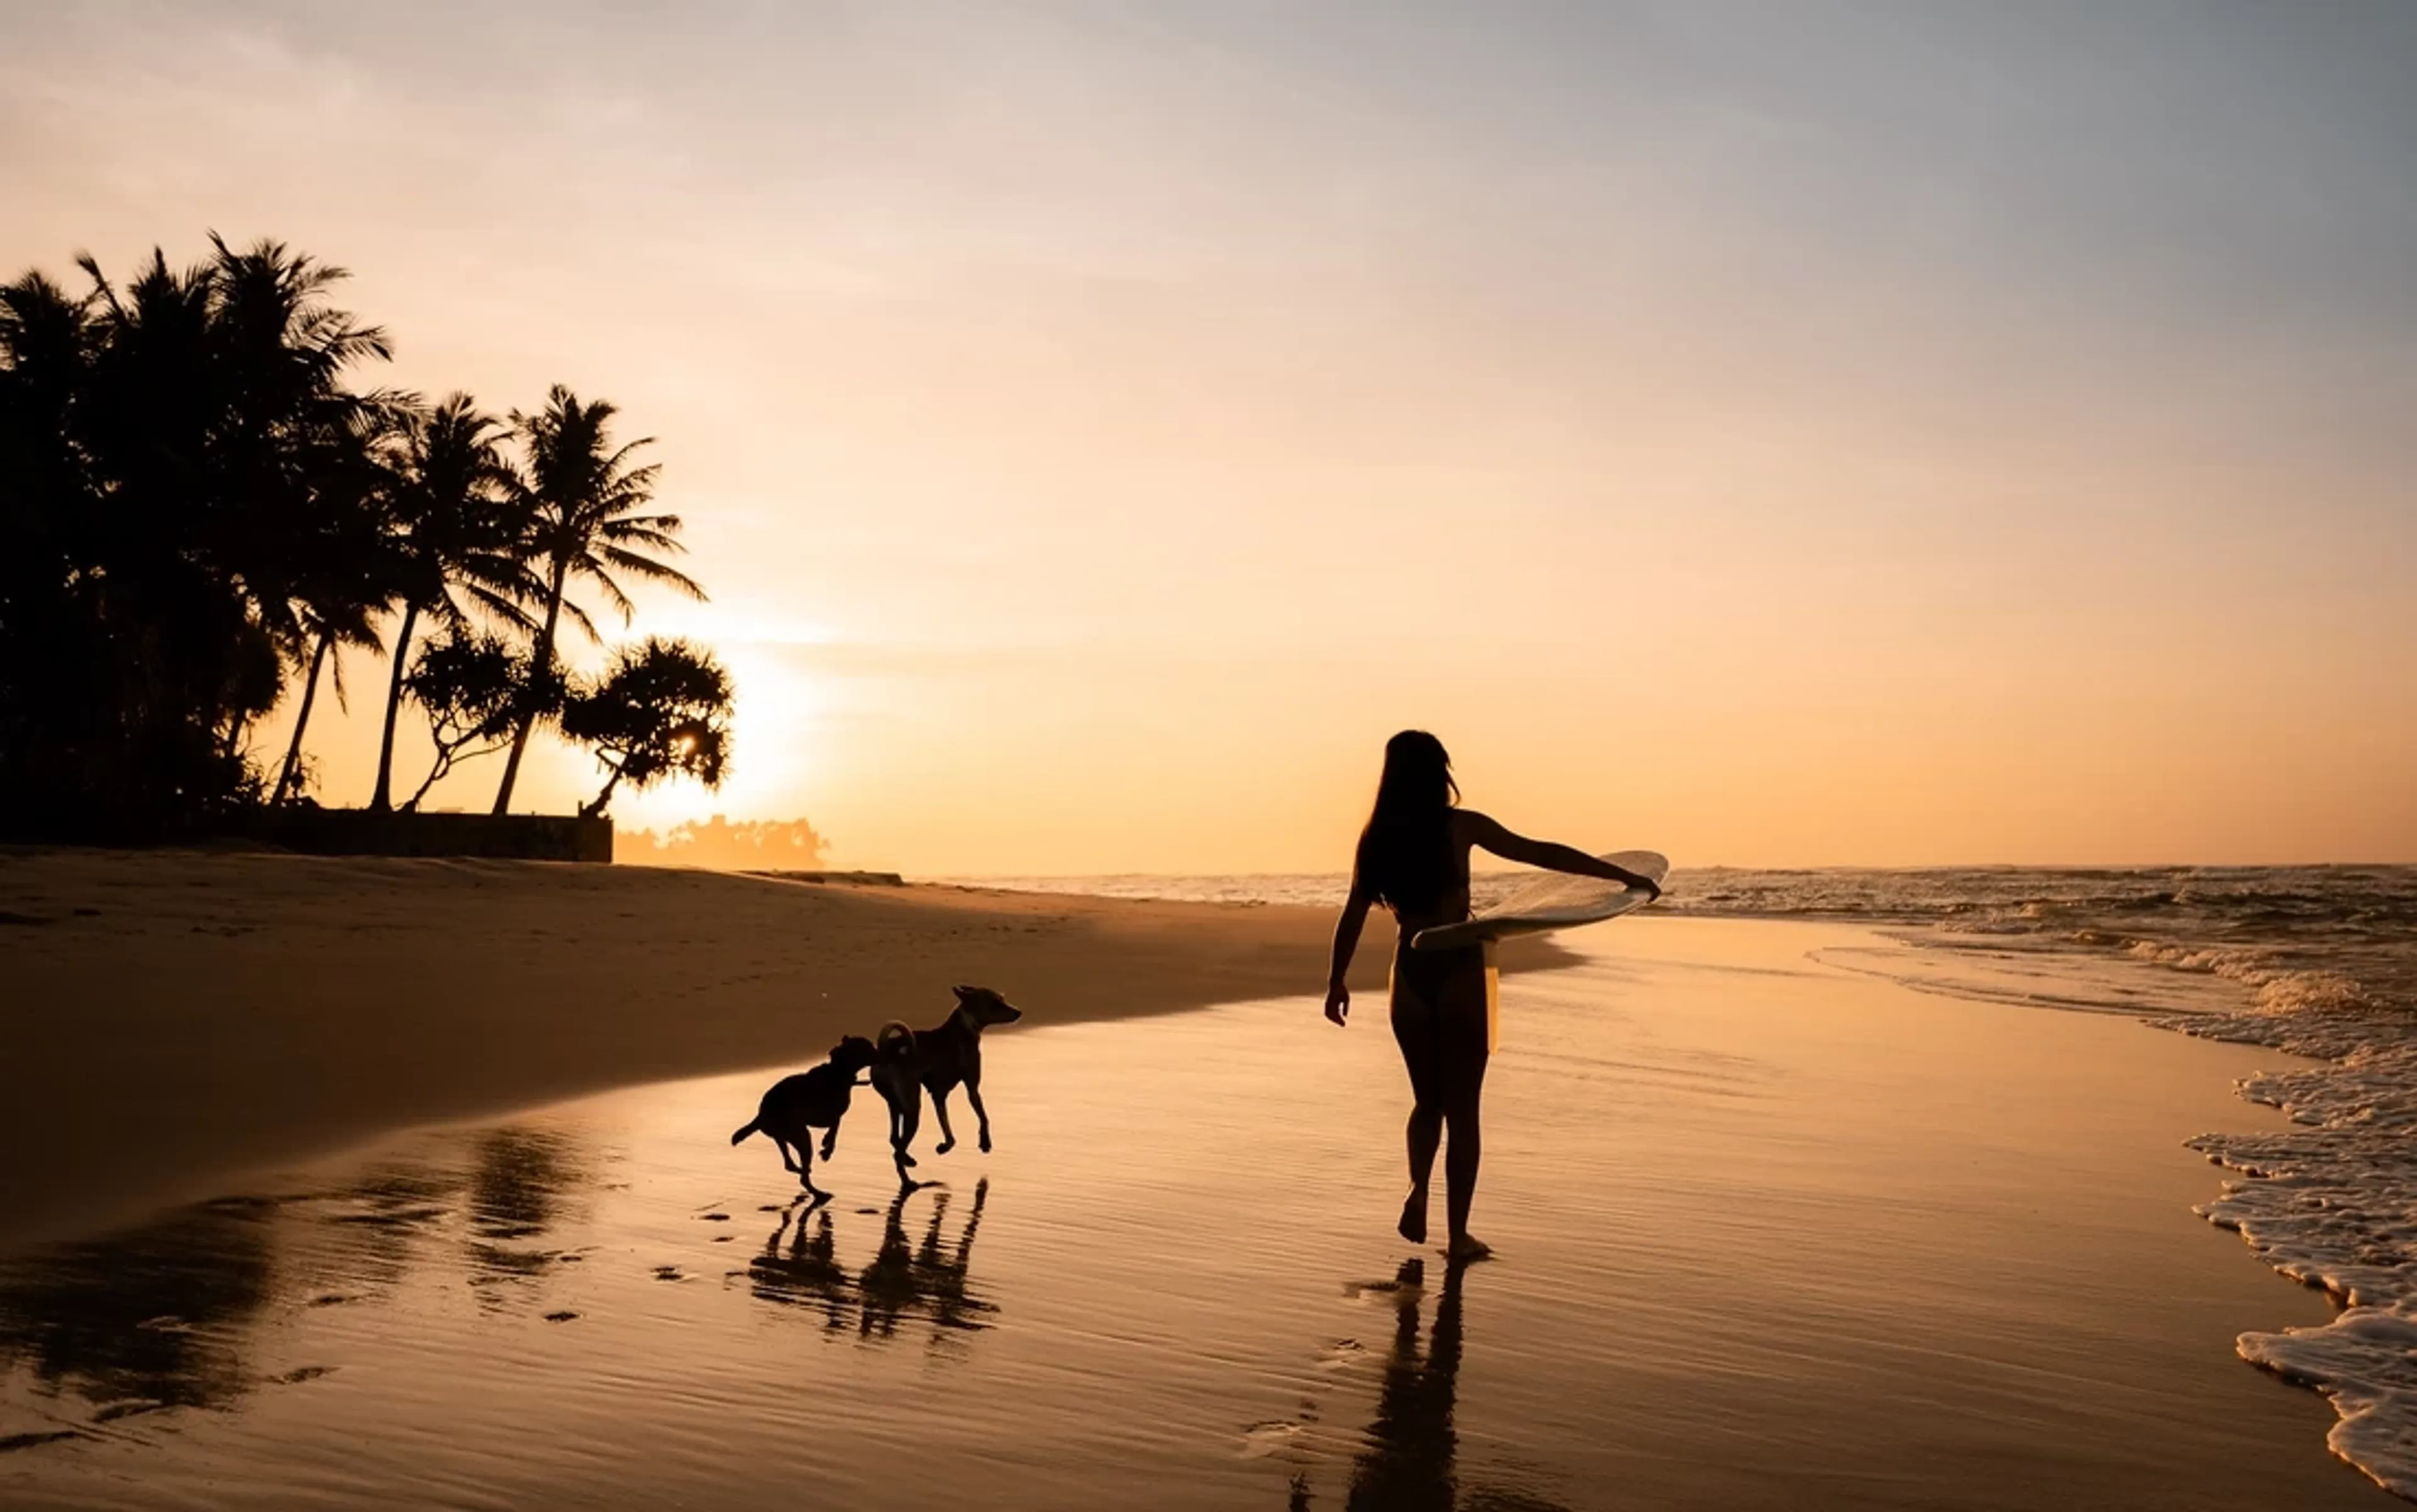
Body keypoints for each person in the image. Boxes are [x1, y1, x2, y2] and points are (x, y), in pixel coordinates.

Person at [1325, 730, 1657, 1260]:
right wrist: (1619, 875)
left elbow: (1353, 913)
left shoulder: (1377, 839)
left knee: (1426, 1102)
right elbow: (1541, 853)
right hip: (1459, 967)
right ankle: (1458, 1238)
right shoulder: (1461, 827)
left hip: (1410, 970)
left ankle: (1417, 1190)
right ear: (1441, 773)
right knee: (1465, 1111)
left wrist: (1336, 981)